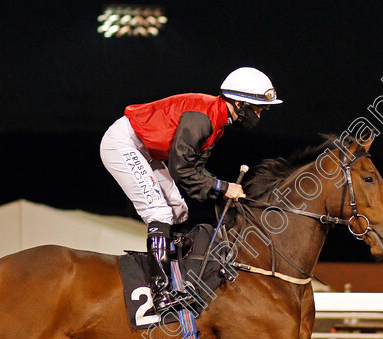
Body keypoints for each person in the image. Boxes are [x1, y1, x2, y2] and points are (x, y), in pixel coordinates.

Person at [100, 67, 282, 312]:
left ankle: (176, 274)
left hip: (147, 151)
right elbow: (182, 169)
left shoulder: (217, 119)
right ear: (239, 103)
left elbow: (193, 170)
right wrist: (223, 187)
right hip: (124, 145)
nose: (260, 114)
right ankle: (161, 292)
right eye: (258, 108)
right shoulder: (203, 117)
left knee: (178, 210)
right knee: (159, 213)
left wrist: (219, 189)